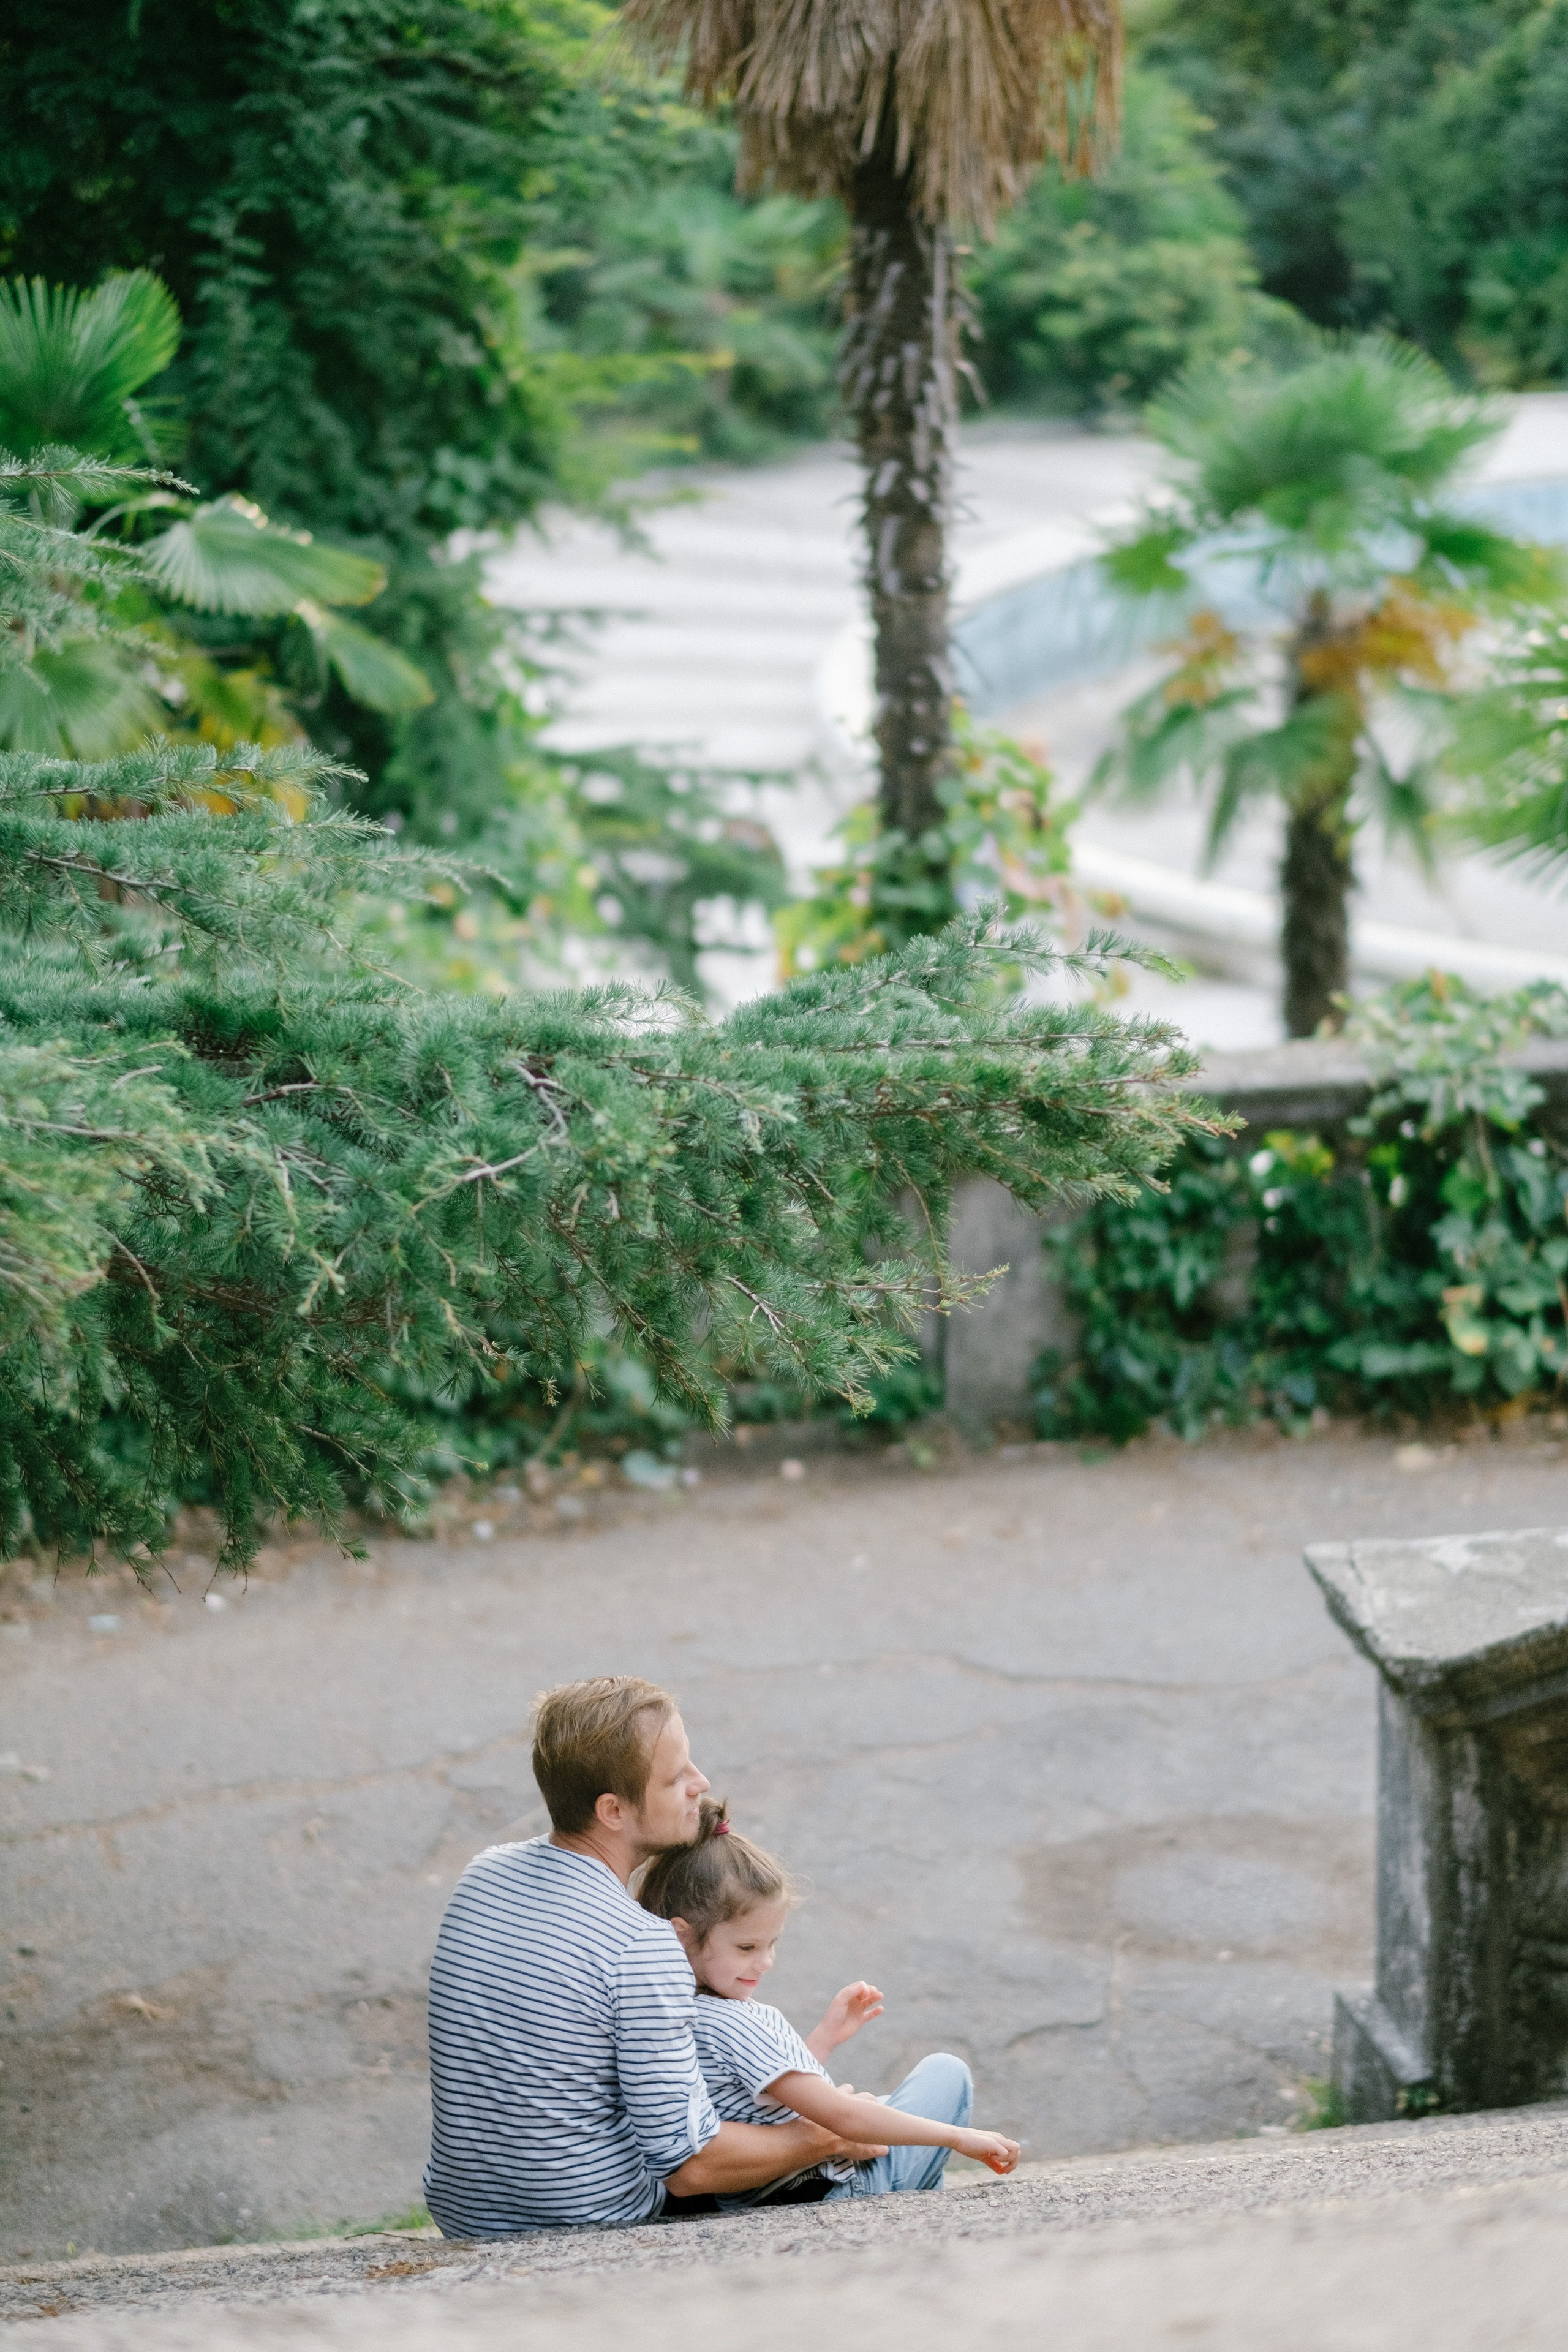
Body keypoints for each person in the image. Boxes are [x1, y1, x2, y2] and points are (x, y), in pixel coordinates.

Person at [423, 1676, 884, 2236]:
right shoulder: (640, 1944)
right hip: (590, 2226)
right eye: (675, 1778)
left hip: (468, 2217)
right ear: (613, 1810)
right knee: (928, 2103)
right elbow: (691, 2166)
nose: (700, 1783)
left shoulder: (485, 1875)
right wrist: (825, 2135)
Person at [638, 1798, 1020, 2206]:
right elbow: (843, 2117)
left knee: (897, 2114)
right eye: (747, 1946)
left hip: (759, 2195)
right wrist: (960, 2138)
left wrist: (826, 2037)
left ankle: (919, 2189)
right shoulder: (735, 2021)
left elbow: (761, 2099)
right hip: (828, 2190)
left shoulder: (675, 2016)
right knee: (946, 2074)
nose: (764, 1962)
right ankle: (911, 2195)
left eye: (772, 1944)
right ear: (682, 1935)